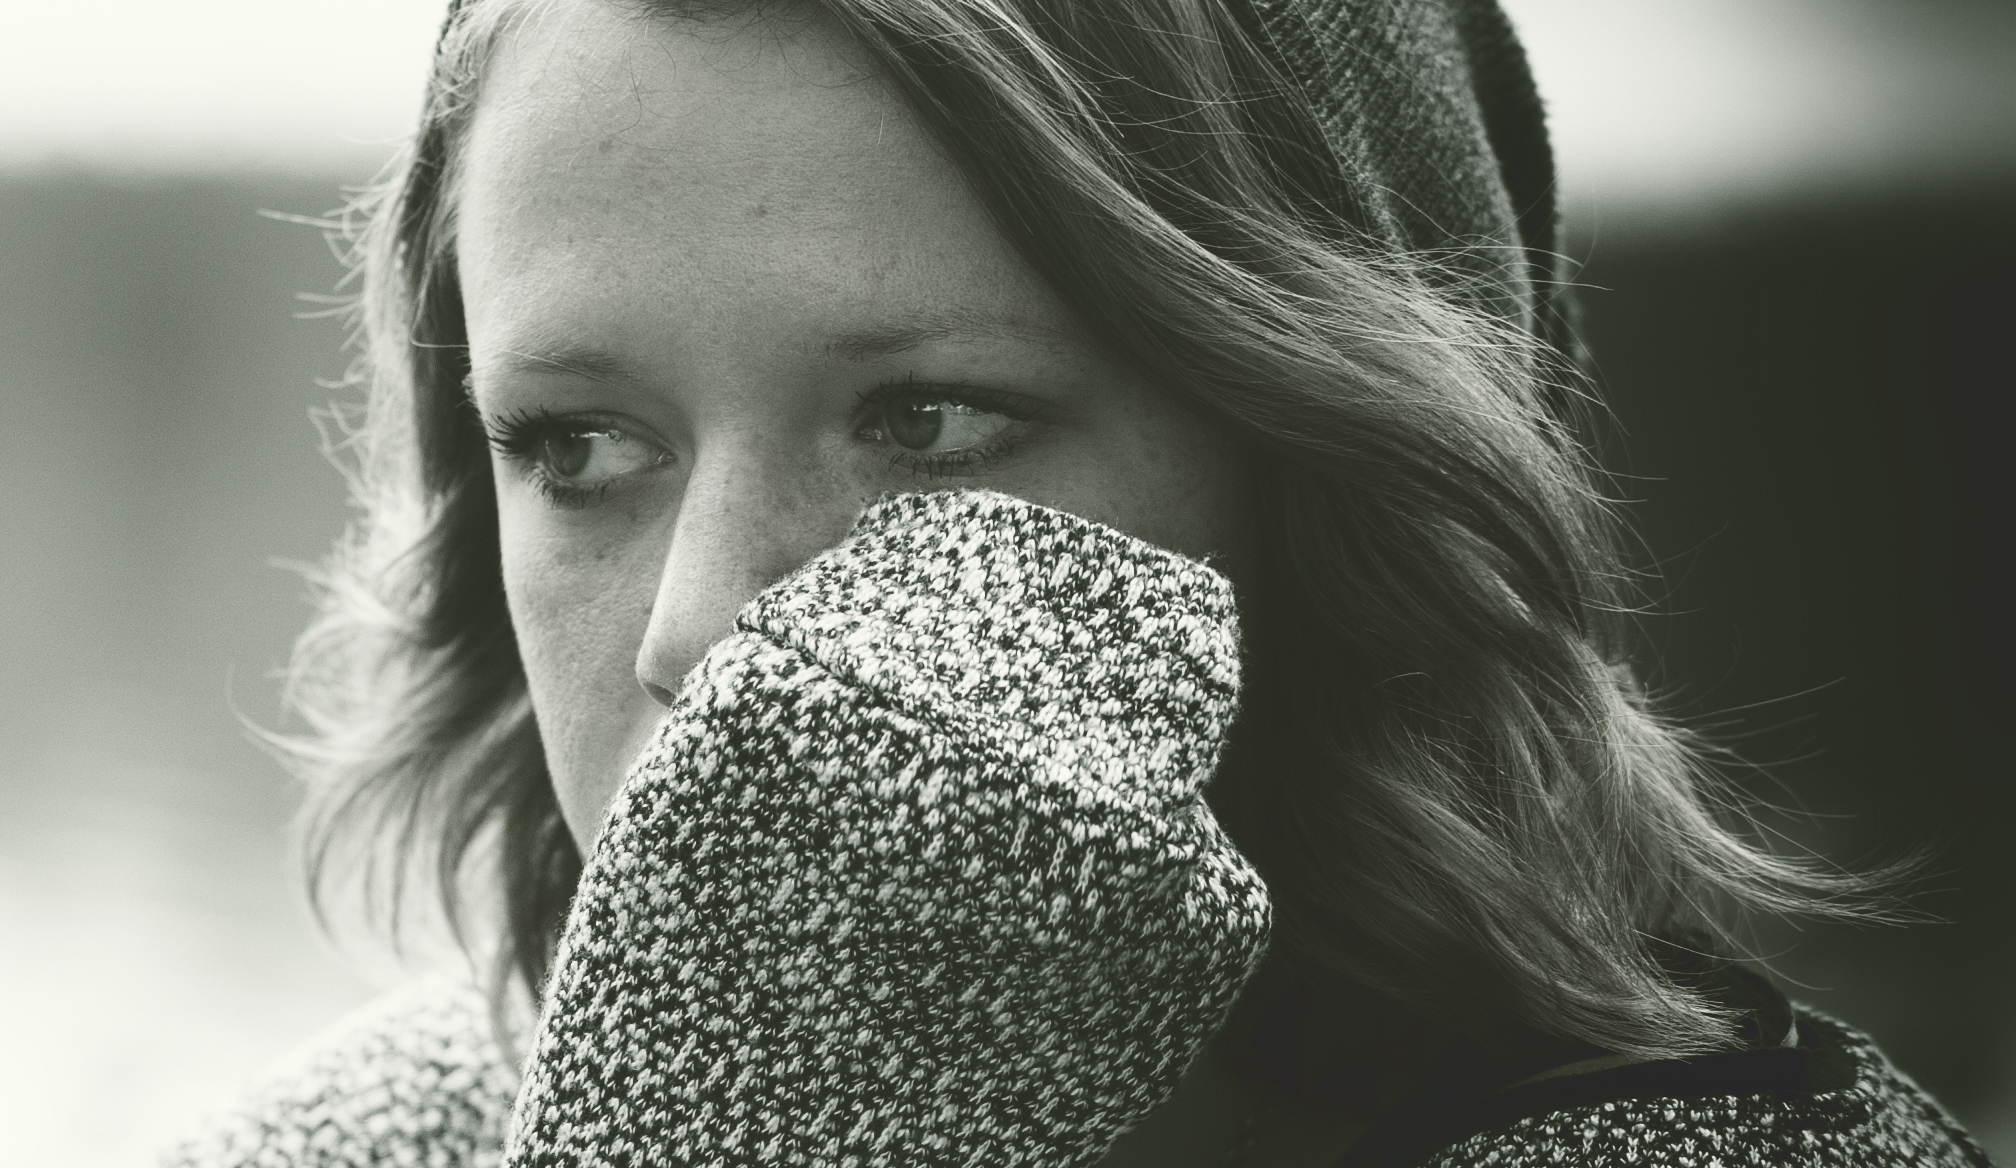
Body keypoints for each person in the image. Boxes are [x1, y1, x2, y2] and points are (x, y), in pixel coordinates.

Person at [164, 0, 1994, 1165]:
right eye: (578, 447)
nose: (701, 632)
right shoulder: (371, 1142)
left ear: (1341, 486)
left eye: (935, 422)